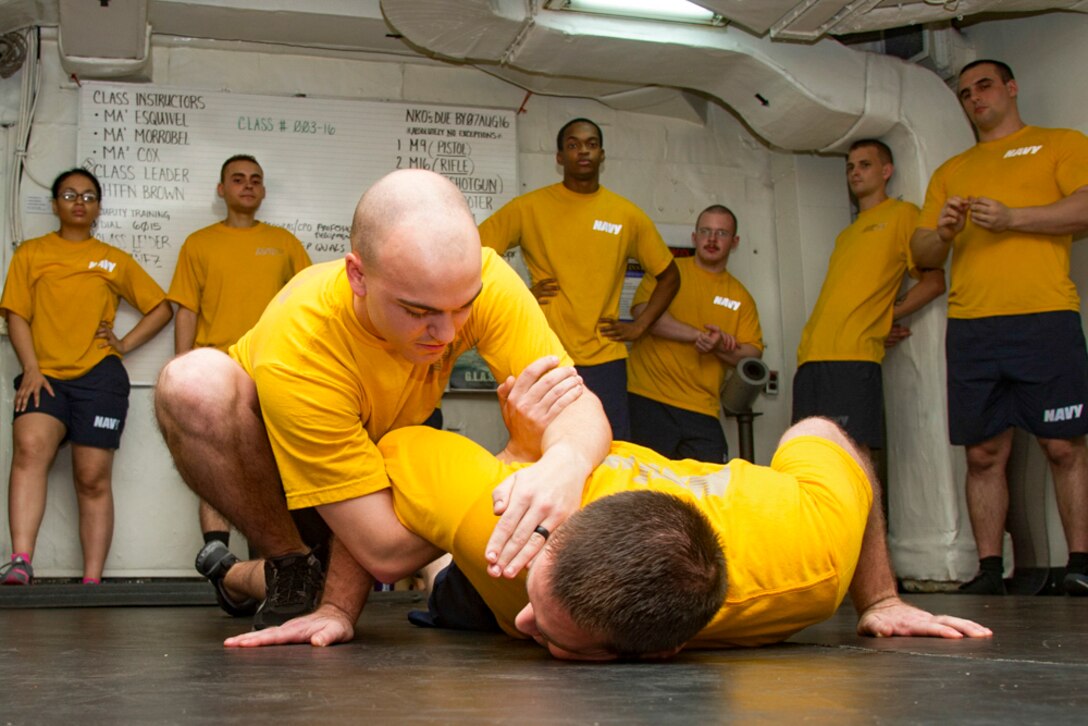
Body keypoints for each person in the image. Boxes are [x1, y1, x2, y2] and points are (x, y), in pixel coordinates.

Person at [154, 169, 610, 629]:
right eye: (418, 311)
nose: (448, 333)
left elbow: (573, 403)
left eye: (463, 306)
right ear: (358, 276)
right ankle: (287, 562)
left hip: (383, 452)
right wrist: (515, 457)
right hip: (281, 466)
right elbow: (385, 553)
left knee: (443, 575)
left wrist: (565, 464)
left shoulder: (486, 280)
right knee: (192, 382)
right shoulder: (303, 339)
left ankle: (234, 574)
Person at [225, 413, 992, 658]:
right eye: (539, 607)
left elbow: (833, 435)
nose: (527, 624)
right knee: (401, 555)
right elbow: (384, 457)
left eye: (556, 640)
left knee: (437, 587)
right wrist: (336, 610)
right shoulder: (506, 533)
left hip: (484, 579)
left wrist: (876, 594)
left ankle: (227, 570)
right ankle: (238, 574)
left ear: (659, 655)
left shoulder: (816, 564)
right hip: (487, 554)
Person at [910, 60, 1088, 596]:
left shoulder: (1060, 143)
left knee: (1063, 445)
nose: (974, 98)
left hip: (1045, 316)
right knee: (983, 453)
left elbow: (1084, 208)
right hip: (973, 326)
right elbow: (921, 252)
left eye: (983, 86)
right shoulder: (951, 170)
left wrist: (1014, 219)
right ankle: (989, 571)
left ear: (1011, 88)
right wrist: (942, 232)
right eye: (965, 93)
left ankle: (1080, 564)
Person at [0, 168, 172, 585]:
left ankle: (92, 580)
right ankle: (21, 560)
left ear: (97, 207)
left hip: (99, 378)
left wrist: (124, 344)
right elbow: (16, 314)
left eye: (89, 196)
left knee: (91, 476)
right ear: (56, 203)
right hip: (43, 377)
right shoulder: (31, 254)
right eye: (70, 194)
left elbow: (162, 307)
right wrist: (32, 370)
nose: (79, 202)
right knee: (29, 448)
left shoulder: (113, 258)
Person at [167, 154, 311, 612]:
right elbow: (185, 309)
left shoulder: (284, 243)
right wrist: (182, 367)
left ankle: (272, 570)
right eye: (237, 179)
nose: (247, 186)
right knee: (217, 462)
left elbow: (306, 301)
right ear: (221, 189)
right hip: (215, 367)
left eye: (255, 180)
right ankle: (219, 558)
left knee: (268, 470)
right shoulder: (198, 243)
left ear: (263, 191)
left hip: (272, 368)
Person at [479, 117, 680, 440]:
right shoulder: (528, 207)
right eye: (573, 145)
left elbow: (670, 276)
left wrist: (639, 328)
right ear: (560, 157)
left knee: (611, 452)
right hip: (546, 355)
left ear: (602, 154)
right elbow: (474, 254)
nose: (582, 151)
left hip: (606, 358)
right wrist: (522, 295)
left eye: (591, 144)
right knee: (544, 447)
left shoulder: (626, 215)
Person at [793, 139, 945, 464]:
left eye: (864, 165)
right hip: (811, 359)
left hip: (854, 358)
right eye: (850, 167)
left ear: (886, 171)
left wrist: (882, 318)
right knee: (812, 461)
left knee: (855, 459)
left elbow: (934, 282)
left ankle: (870, 519)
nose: (855, 173)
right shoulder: (846, 234)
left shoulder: (904, 215)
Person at [626, 204, 762, 462]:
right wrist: (698, 336)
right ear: (694, 237)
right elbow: (646, 317)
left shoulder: (741, 297)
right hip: (648, 401)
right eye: (706, 231)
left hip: (702, 409)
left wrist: (719, 345)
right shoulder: (668, 274)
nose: (712, 239)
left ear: (734, 242)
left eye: (721, 233)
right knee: (643, 491)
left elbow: (751, 354)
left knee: (707, 492)